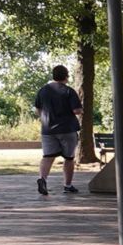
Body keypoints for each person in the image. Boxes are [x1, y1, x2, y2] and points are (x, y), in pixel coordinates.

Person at [34, 65, 84, 195]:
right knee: (69, 158)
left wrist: (46, 119)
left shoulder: (43, 91)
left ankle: (42, 179)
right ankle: (67, 185)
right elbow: (76, 110)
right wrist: (81, 111)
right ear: (66, 76)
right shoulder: (69, 91)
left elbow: (38, 110)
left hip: (47, 130)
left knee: (47, 157)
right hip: (67, 129)